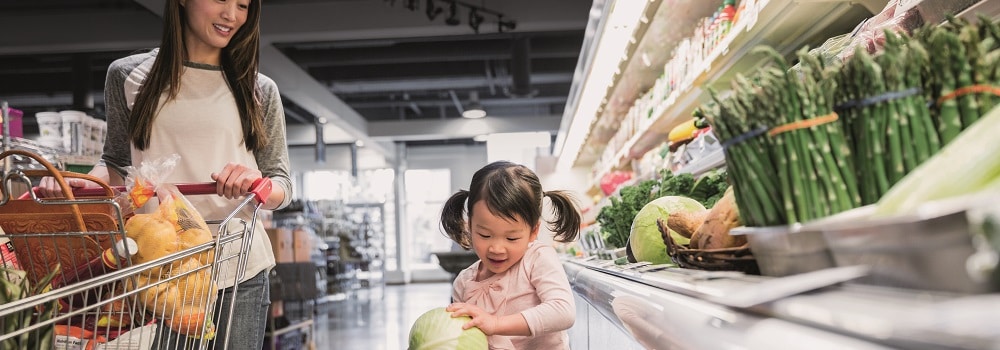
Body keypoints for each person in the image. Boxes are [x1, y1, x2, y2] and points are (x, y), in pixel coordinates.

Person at [38, 0, 292, 348]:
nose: (231, 15)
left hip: (237, 265)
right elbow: (116, 163)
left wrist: (256, 183)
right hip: (158, 268)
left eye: (243, 5)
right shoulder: (128, 76)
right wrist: (87, 184)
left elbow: (282, 183)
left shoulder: (259, 89)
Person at [440, 161, 581, 349]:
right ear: (470, 226)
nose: (497, 248)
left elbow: (563, 311)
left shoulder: (537, 258)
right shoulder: (463, 283)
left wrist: (496, 324)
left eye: (512, 238)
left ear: (533, 231)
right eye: (485, 235)